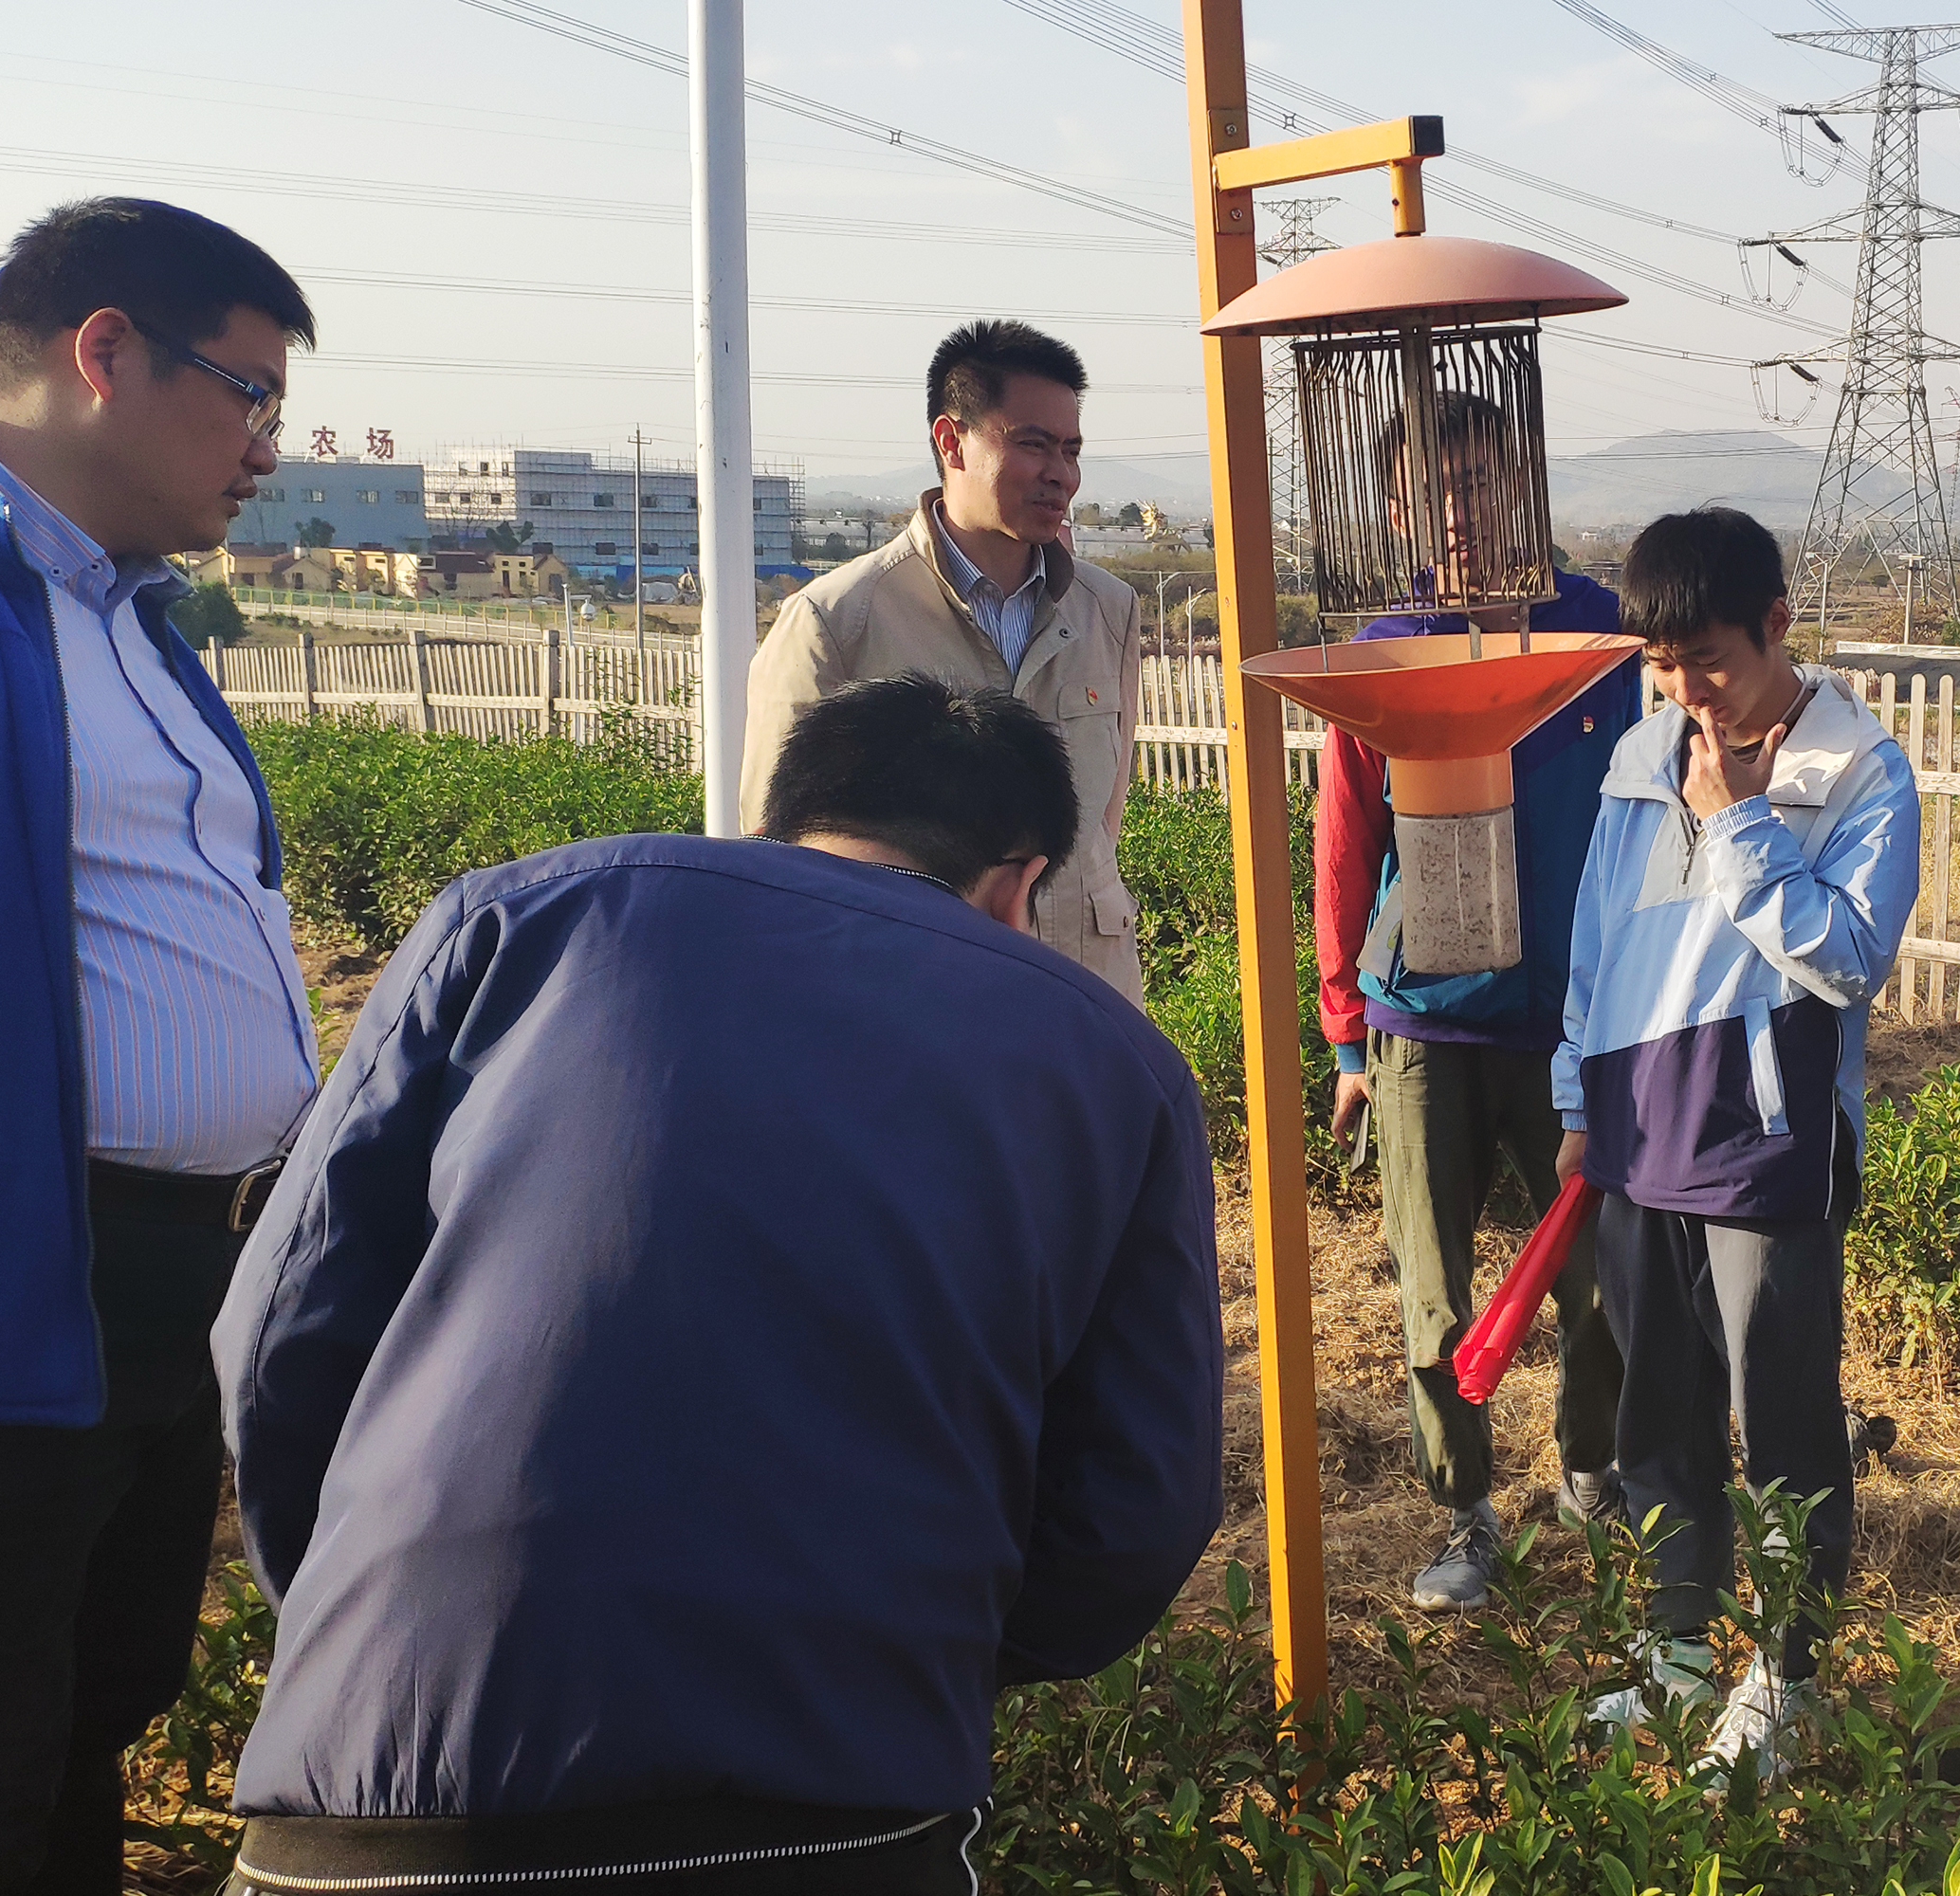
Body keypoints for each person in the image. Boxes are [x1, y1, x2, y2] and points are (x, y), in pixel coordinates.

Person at [214, 675, 1222, 1894]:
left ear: (773, 823)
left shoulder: (512, 919)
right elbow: (1137, 1507)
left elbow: (282, 1329)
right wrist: (928, 1647)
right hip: (838, 1811)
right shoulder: (1113, 1058)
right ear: (1020, 883)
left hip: (371, 1792)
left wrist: (361, 1588)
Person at [0, 197, 319, 1892]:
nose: (267, 449)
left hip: (165, 1283)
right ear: (105, 352)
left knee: (90, 1709)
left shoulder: (122, 611)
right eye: (251, 395)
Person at [1554, 506, 1919, 1775]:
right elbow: (1598, 939)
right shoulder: (1639, 754)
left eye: (1705, 658)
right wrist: (1574, 1095)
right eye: (1660, 662)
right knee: (1658, 1417)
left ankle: (1786, 1673)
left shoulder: (1859, 769)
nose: (1682, 690)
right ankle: (1677, 1653)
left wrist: (1742, 824)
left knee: (1782, 1425)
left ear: (1776, 623)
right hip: (1637, 1129)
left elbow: (1850, 958)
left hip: (1764, 1143)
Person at [1314, 390, 1632, 1613]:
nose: (1460, 511)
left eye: (1482, 482)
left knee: (1600, 1277)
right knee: (1435, 1291)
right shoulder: (1383, 651)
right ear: (1394, 508)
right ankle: (1465, 1509)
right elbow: (1346, 846)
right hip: (1423, 1023)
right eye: (1431, 491)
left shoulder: (1599, 630)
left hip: (1577, 1019)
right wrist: (1347, 1036)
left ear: (1522, 488)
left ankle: (1592, 1470)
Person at [741, 319, 1145, 1002]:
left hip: (1085, 997)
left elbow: (1102, 822)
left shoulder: (1107, 609)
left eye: (1071, 450)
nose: (1061, 474)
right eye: (1032, 445)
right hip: (913, 1007)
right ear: (951, 441)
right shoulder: (835, 622)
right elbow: (779, 856)